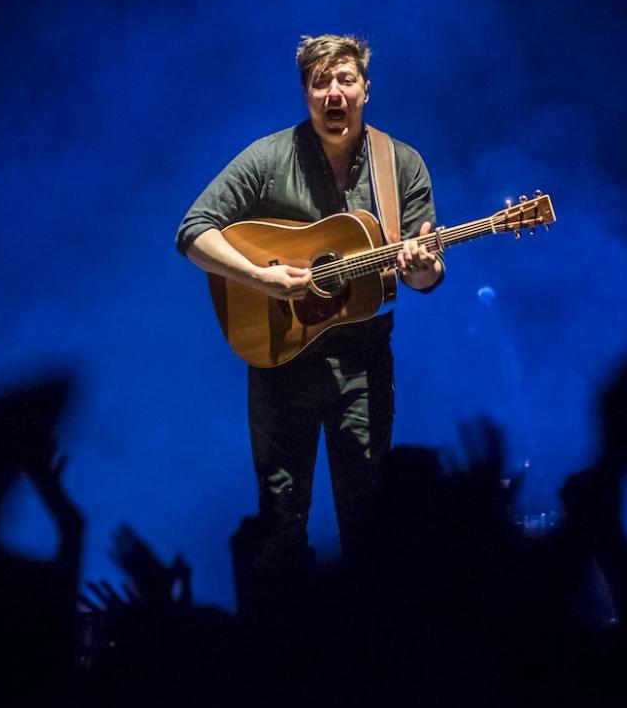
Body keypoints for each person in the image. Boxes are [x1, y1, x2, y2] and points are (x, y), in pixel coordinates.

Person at [176, 34, 443, 575]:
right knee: (280, 519)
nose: (333, 93)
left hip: (362, 364)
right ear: (306, 94)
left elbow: (423, 274)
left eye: (345, 79)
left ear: (366, 89)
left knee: (368, 518)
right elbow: (192, 231)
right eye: (320, 82)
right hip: (282, 361)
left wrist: (421, 267)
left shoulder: (402, 165)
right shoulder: (270, 157)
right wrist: (259, 275)